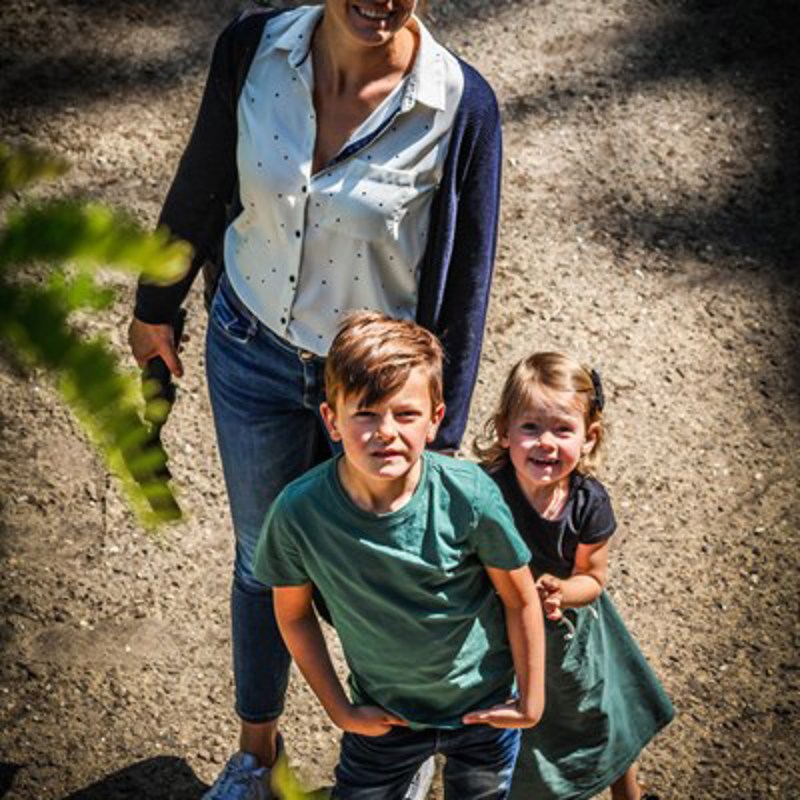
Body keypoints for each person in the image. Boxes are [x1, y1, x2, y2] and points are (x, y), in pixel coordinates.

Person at [127, 2, 503, 797]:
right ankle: (256, 759)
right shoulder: (252, 49)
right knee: (264, 563)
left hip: (372, 393)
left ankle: (390, 759)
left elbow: (467, 280)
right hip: (248, 350)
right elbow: (203, 175)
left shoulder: (459, 105)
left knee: (384, 571)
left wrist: (438, 437)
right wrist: (155, 305)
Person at [253, 312, 545, 799]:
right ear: (332, 419)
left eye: (405, 414)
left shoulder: (469, 496)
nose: (386, 431)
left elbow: (519, 599)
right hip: (383, 719)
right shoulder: (299, 513)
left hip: (484, 713)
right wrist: (340, 710)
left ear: (435, 420)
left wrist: (531, 701)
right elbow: (293, 616)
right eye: (365, 413)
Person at [476, 353, 674, 800]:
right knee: (531, 734)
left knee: (602, 717)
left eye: (563, 429)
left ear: (589, 437)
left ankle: (628, 792)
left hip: (573, 629)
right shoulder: (485, 490)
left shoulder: (587, 502)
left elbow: (593, 577)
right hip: (506, 628)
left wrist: (564, 591)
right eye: (530, 428)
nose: (545, 442)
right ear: (504, 430)